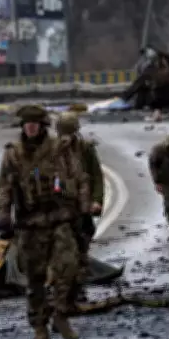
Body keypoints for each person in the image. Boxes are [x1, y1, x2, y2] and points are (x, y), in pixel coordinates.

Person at [0, 105, 90, 339]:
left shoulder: (60, 149)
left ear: (43, 126)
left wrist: (84, 210)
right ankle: (40, 329)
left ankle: (61, 313)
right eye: (27, 124)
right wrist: (3, 217)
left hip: (59, 219)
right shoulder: (13, 154)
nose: (31, 128)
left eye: (35, 124)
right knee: (34, 279)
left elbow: (80, 178)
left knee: (69, 268)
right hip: (30, 224)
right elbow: (4, 187)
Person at [55, 111, 105, 307]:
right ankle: (64, 289)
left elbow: (96, 175)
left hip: (82, 207)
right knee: (64, 251)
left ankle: (78, 288)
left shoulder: (85, 149)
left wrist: (97, 200)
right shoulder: (50, 149)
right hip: (60, 207)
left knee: (81, 248)